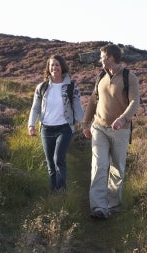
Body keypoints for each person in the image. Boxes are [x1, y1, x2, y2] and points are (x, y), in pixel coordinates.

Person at [82, 44, 140, 219]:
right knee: (99, 166)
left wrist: (123, 118)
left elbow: (134, 102)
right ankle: (99, 207)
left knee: (117, 168)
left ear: (112, 58)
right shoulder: (100, 76)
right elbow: (93, 101)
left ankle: (113, 206)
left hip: (120, 130)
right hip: (99, 127)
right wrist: (85, 123)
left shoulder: (129, 77)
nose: (100, 60)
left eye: (102, 57)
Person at [28, 55, 84, 192]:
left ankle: (61, 190)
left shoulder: (71, 86)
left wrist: (85, 124)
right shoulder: (42, 87)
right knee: (50, 163)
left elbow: (78, 107)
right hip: (46, 129)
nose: (54, 68)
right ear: (48, 68)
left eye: (57, 65)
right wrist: (31, 125)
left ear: (62, 67)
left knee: (58, 158)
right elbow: (35, 108)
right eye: (52, 65)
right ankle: (54, 191)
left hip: (64, 128)